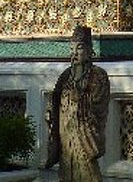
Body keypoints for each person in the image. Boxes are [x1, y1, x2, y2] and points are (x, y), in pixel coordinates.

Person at [45, 25, 110, 182]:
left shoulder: (98, 75)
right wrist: (51, 112)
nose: (74, 53)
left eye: (79, 48)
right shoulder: (66, 75)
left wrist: (81, 98)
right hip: (65, 132)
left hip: (84, 135)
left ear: (89, 51)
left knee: (87, 170)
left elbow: (99, 103)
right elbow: (56, 99)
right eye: (72, 48)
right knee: (67, 168)